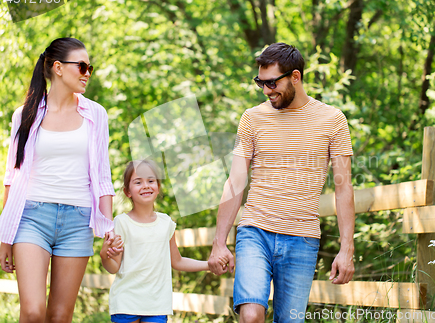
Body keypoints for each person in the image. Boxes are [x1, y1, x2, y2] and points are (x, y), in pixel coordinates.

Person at [208, 42, 355, 323]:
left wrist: (346, 249)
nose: (266, 90)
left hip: (302, 239)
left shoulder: (333, 120)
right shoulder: (252, 118)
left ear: (295, 77)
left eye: (272, 83)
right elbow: (235, 181)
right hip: (255, 232)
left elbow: (343, 187)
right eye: (260, 83)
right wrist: (219, 242)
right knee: (251, 316)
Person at [0, 37, 116, 322]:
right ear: (58, 68)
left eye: (90, 67)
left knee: (60, 315)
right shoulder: (25, 115)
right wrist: (4, 236)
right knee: (33, 311)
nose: (87, 72)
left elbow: (102, 177)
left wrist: (108, 228)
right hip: (31, 218)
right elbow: (11, 176)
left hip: (78, 222)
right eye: (82, 66)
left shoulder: (96, 114)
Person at [101, 160, 223, 323]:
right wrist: (104, 255)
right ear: (127, 191)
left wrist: (209, 265)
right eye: (138, 182)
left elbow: (177, 261)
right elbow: (114, 267)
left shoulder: (166, 224)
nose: (145, 185)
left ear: (158, 187)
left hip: (157, 305)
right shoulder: (121, 223)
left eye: (151, 181)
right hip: (126, 303)